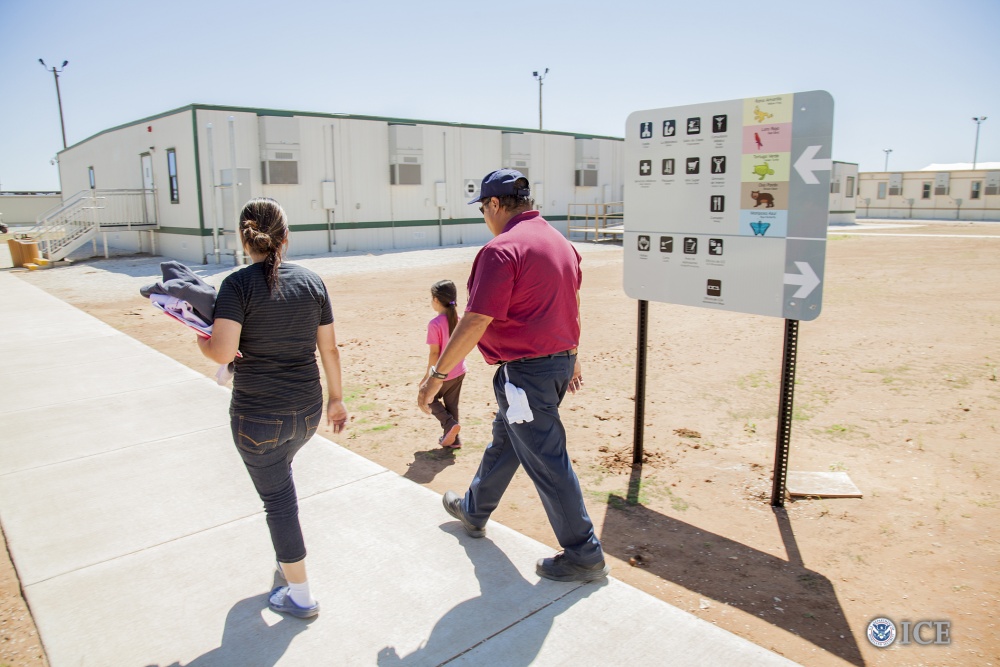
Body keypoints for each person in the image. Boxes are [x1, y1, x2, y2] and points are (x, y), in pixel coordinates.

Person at [417, 169, 609, 583]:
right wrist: (572, 353)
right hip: (554, 365)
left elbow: (475, 321)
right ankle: (473, 509)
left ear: (497, 204)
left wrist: (437, 375)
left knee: (547, 459)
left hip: (527, 374)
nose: (485, 216)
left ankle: (584, 552)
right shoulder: (559, 241)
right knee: (507, 441)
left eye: (484, 208)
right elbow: (568, 302)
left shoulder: (501, 250)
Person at [197, 197, 347, 618]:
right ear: (285, 236)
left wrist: (197, 332)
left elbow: (221, 350)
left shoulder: (237, 285)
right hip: (307, 411)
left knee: (278, 501)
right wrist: (337, 399)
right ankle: (288, 563)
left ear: (247, 241)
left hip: (257, 417)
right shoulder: (313, 282)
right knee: (282, 481)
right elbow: (330, 349)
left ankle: (300, 595)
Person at [423, 280, 467, 448]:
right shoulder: (461, 320)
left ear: (435, 300)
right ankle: (454, 439)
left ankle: (449, 425)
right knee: (452, 405)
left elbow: (434, 354)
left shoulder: (435, 324)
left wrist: (427, 377)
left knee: (428, 397)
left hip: (443, 373)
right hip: (460, 370)